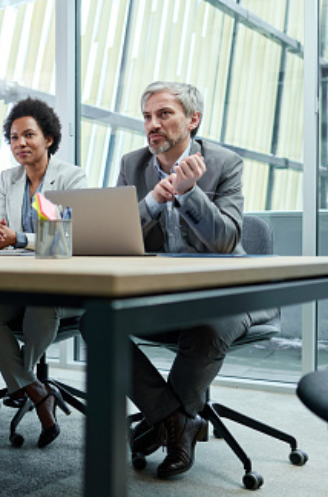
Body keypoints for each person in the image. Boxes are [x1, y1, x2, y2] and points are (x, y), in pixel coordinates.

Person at [116, 81, 276, 478]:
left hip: (229, 292)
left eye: (164, 114)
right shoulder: (132, 165)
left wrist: (189, 194)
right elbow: (119, 237)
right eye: (148, 116)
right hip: (162, 294)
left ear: (193, 120)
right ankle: (176, 420)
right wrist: (153, 200)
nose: (153, 124)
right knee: (96, 324)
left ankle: (165, 422)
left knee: (207, 326)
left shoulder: (225, 164)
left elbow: (225, 241)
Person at [0, 97, 87, 448]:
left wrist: (16, 237)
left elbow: (63, 239)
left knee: (41, 307)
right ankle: (36, 388)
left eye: (29, 135)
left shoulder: (70, 177)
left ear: (48, 138)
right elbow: (0, 227)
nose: (20, 143)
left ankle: (22, 382)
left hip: (64, 287)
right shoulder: (9, 179)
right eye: (14, 137)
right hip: (22, 282)